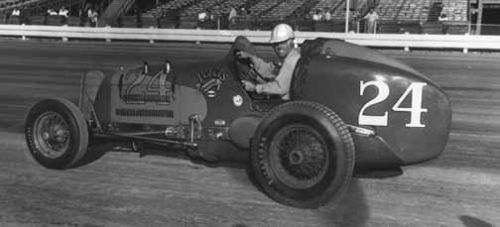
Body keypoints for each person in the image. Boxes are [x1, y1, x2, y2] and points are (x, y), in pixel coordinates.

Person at [237, 23, 301, 101]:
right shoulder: (294, 55)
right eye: (276, 44)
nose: (278, 47)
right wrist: (252, 58)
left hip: (284, 104)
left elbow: (279, 88)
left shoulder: (291, 60)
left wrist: (255, 88)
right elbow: (272, 70)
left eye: (282, 43)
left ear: (290, 42)